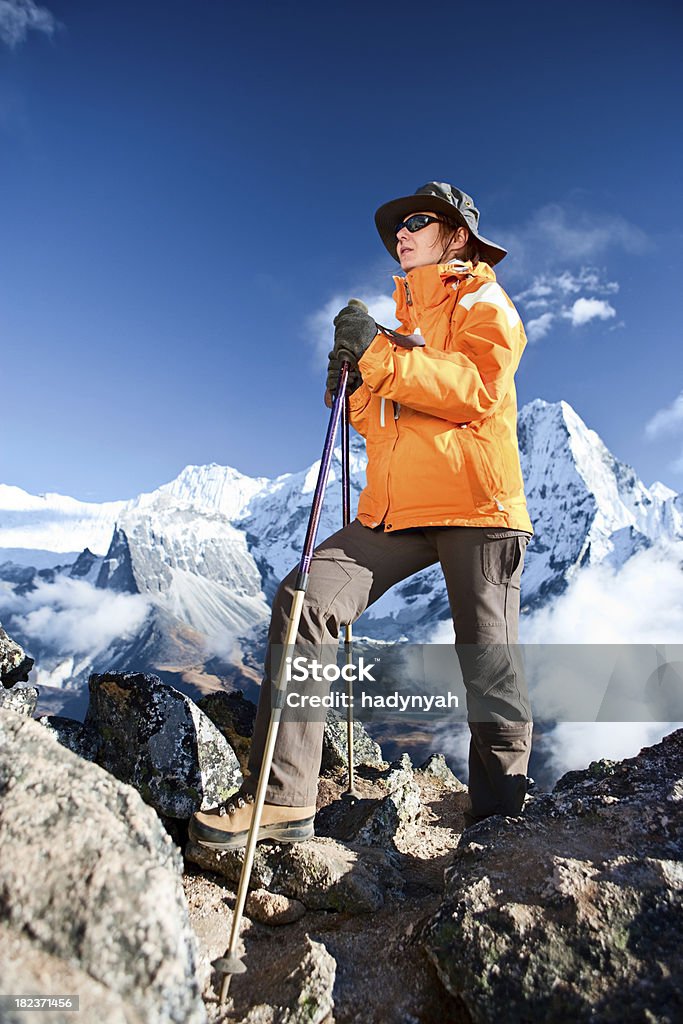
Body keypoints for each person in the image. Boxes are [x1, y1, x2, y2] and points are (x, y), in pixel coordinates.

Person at [190, 181, 534, 850]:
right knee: (304, 599)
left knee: (487, 670)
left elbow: (474, 390)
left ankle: (502, 829)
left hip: (478, 508)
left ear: (455, 236)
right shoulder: (407, 326)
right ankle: (281, 800)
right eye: (393, 228)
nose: (398, 234)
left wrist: (377, 354)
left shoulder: (485, 304)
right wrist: (352, 387)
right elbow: (388, 426)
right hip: (396, 510)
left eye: (414, 221)